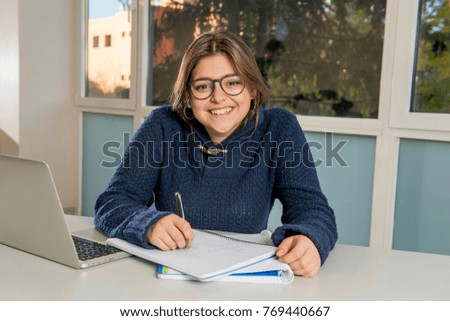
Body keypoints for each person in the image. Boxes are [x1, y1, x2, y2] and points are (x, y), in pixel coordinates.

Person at [94, 29, 337, 278]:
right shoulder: (162, 124)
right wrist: (147, 224)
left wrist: (310, 240)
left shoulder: (278, 127)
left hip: (246, 284)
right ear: (188, 95)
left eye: (232, 83)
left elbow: (313, 210)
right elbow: (111, 204)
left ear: (252, 89)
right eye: (203, 86)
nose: (218, 97)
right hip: (170, 282)